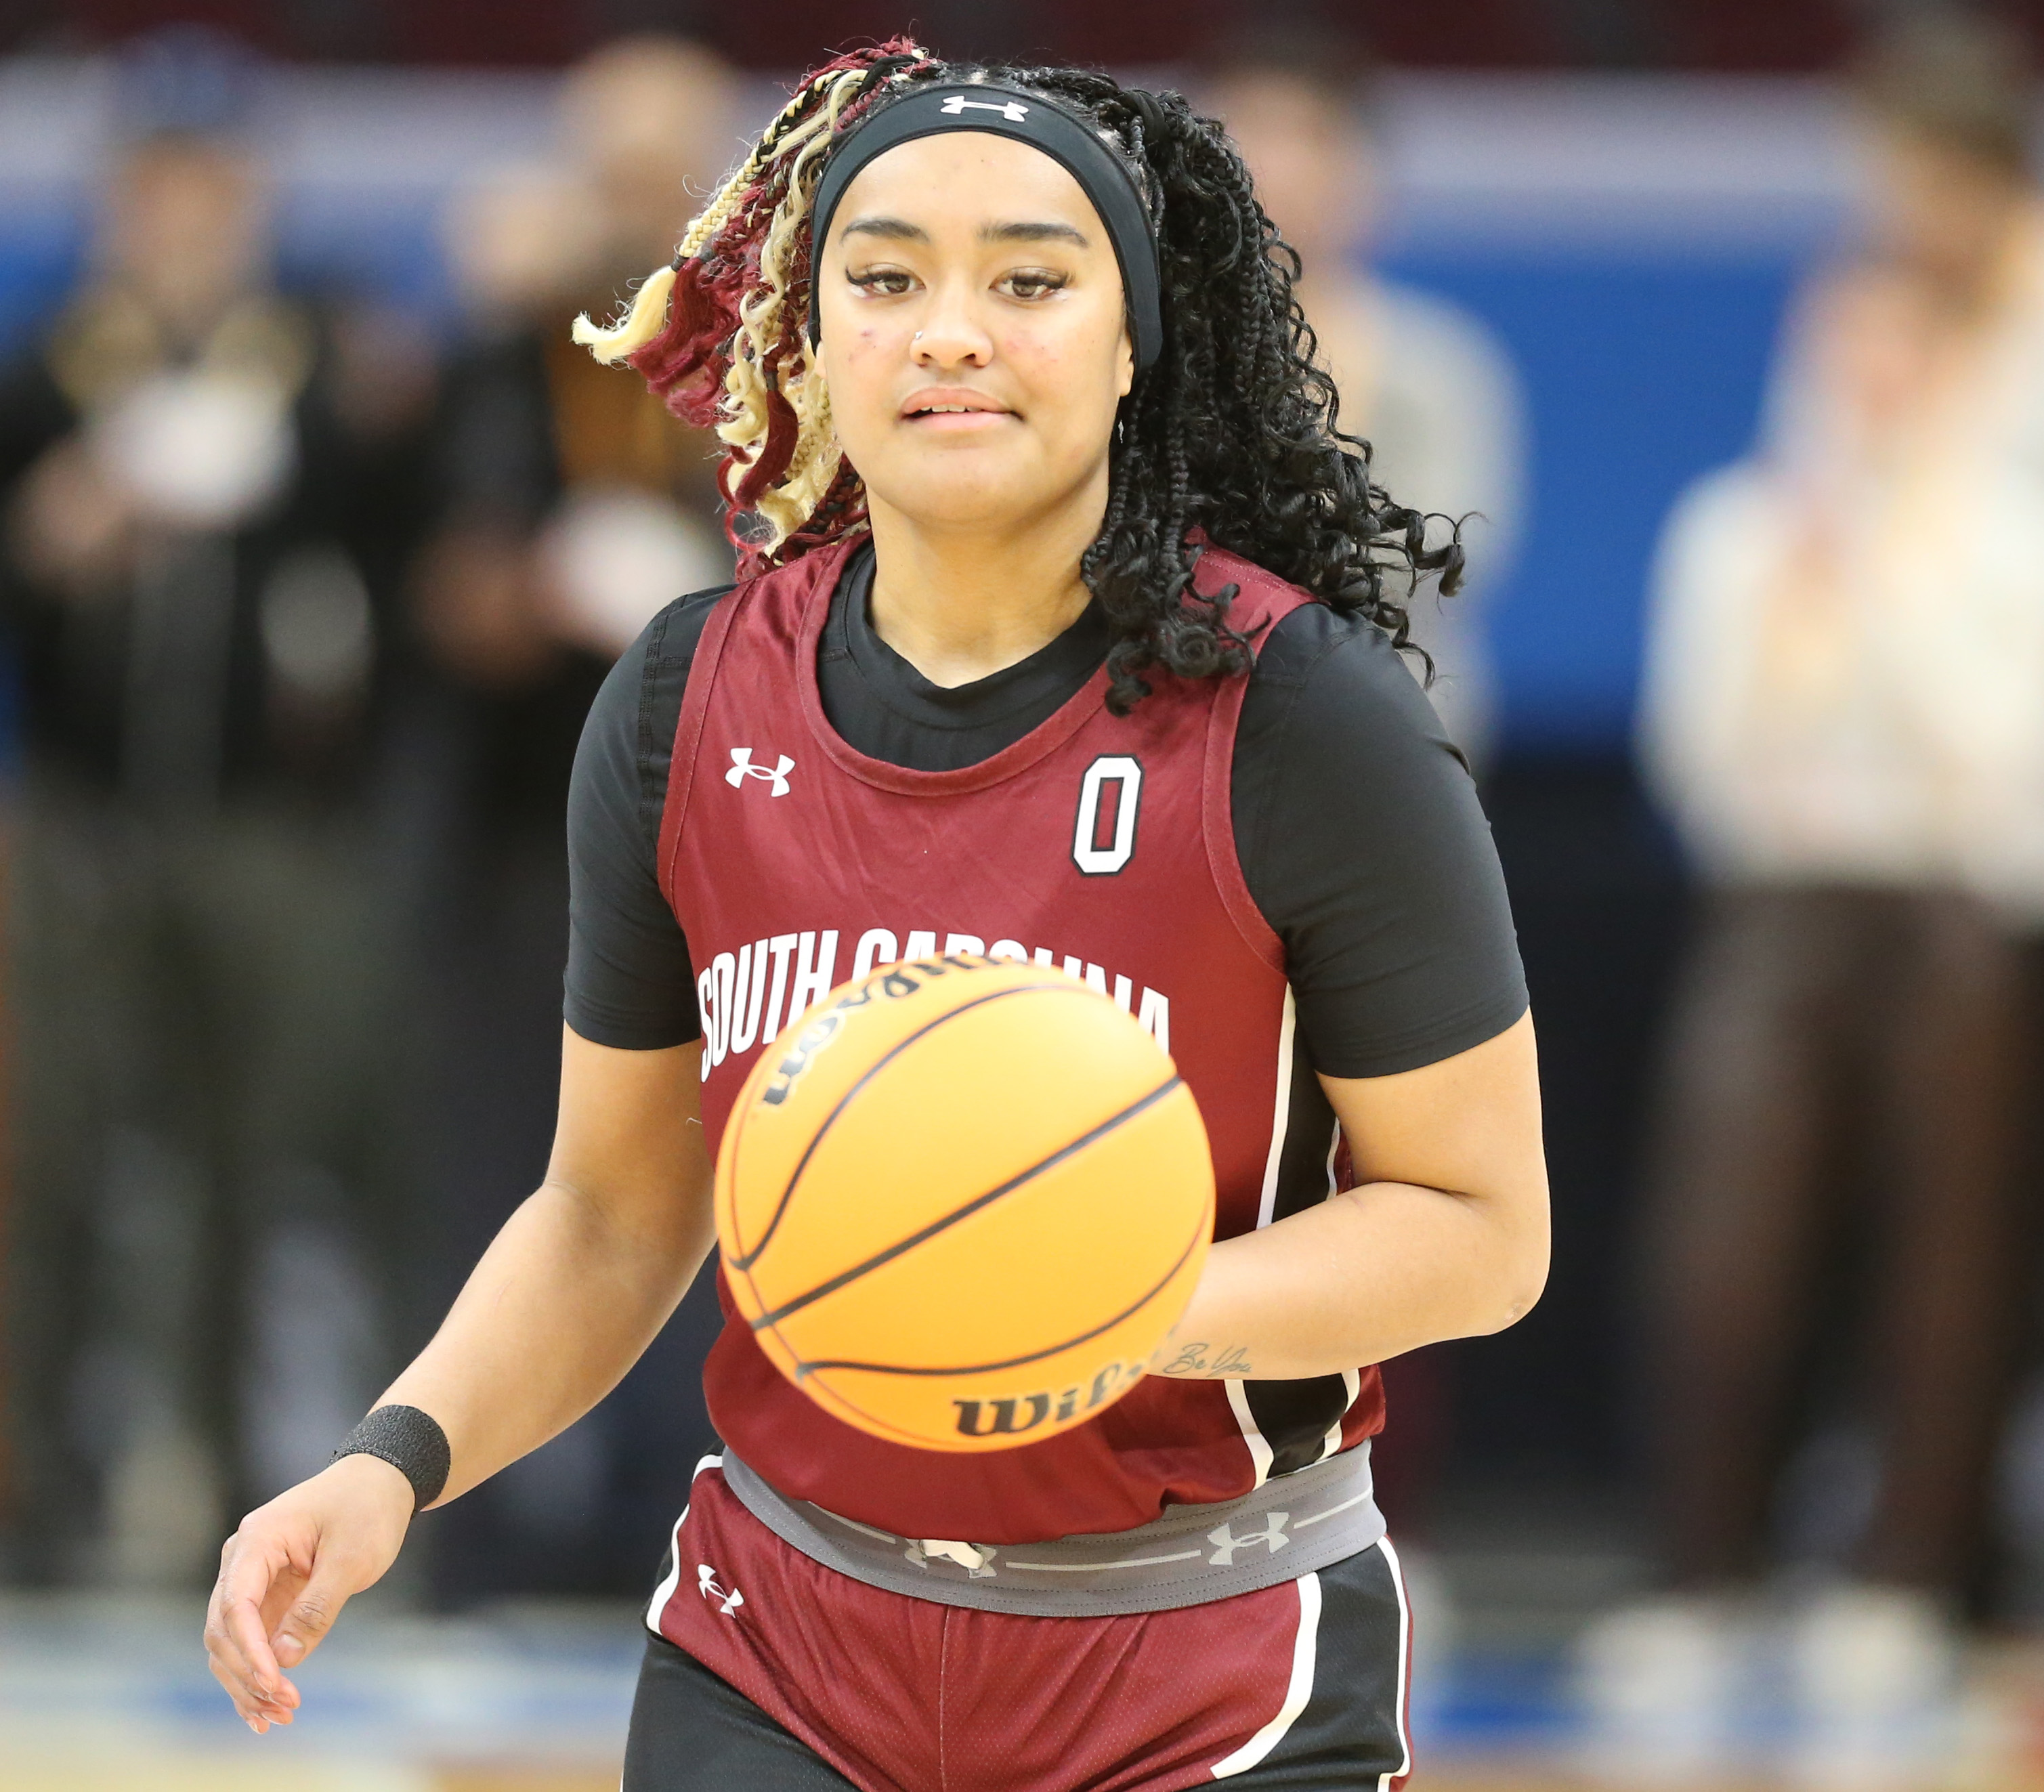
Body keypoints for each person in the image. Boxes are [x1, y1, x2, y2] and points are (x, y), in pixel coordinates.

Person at [205, 42, 1548, 1788]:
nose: (953, 330)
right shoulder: (686, 699)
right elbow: (613, 1211)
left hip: (1208, 1669)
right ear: (813, 338)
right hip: (782, 1649)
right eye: (889, 276)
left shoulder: (1303, 714)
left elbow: (1480, 1227)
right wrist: (388, 1460)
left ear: (1135, 339)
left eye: (1032, 280)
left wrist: (1107, 1306)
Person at [1594, 12, 2044, 1776]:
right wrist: (1819, 568)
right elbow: (1709, 750)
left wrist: (1896, 557)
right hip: (1784, 903)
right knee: (1724, 1237)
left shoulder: (1987, 531)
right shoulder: (1737, 530)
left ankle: (1906, 1577)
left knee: (1953, 1249)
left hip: (1960, 904)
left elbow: (1986, 748)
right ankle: (1702, 1570)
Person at [0, 108, 429, 1586]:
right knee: (53, 1161)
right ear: (119, 201)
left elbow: (396, 548)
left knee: (259, 1157)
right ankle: (42, 1492)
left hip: (273, 825)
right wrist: (58, 528)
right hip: (80, 815)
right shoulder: (53, 365)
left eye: (208, 187)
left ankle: (244, 1488)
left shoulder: (323, 360)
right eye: (156, 186)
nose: (182, 214)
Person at [1202, 28, 1525, 767]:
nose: (1275, 167)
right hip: (1195, 737)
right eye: (1247, 133)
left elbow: (1446, 563)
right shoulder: (1140, 360)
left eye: (1306, 137)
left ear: (1360, 170)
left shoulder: (1439, 369)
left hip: (1391, 741)